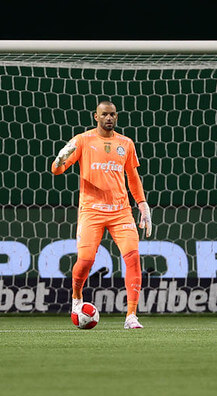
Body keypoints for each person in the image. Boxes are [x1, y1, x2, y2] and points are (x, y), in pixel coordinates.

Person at [51, 100, 152, 329]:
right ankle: (77, 297)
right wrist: (59, 159)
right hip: (91, 210)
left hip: (121, 211)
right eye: (105, 114)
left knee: (133, 258)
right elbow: (56, 171)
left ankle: (131, 316)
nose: (109, 118)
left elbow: (133, 177)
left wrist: (142, 204)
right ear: (95, 117)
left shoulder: (125, 143)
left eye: (113, 114)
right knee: (86, 261)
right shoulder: (82, 140)